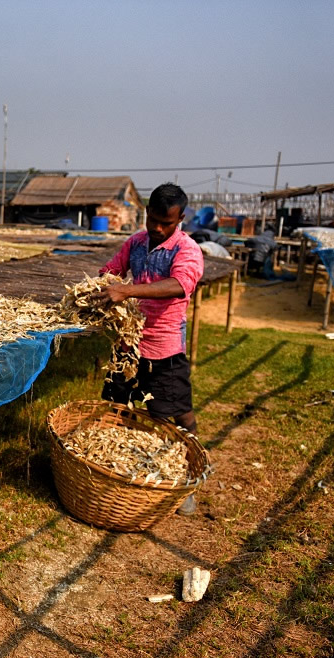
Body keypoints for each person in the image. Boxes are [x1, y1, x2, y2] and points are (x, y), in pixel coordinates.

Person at [94, 182, 204, 512]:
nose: (157, 228)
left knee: (173, 411)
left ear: (180, 218)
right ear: (146, 213)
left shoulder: (187, 250)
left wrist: (128, 291)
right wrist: (105, 281)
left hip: (164, 347)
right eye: (152, 219)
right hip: (129, 343)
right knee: (117, 404)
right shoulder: (136, 243)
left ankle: (188, 476)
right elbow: (112, 269)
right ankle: (115, 470)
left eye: (165, 223)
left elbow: (179, 285)